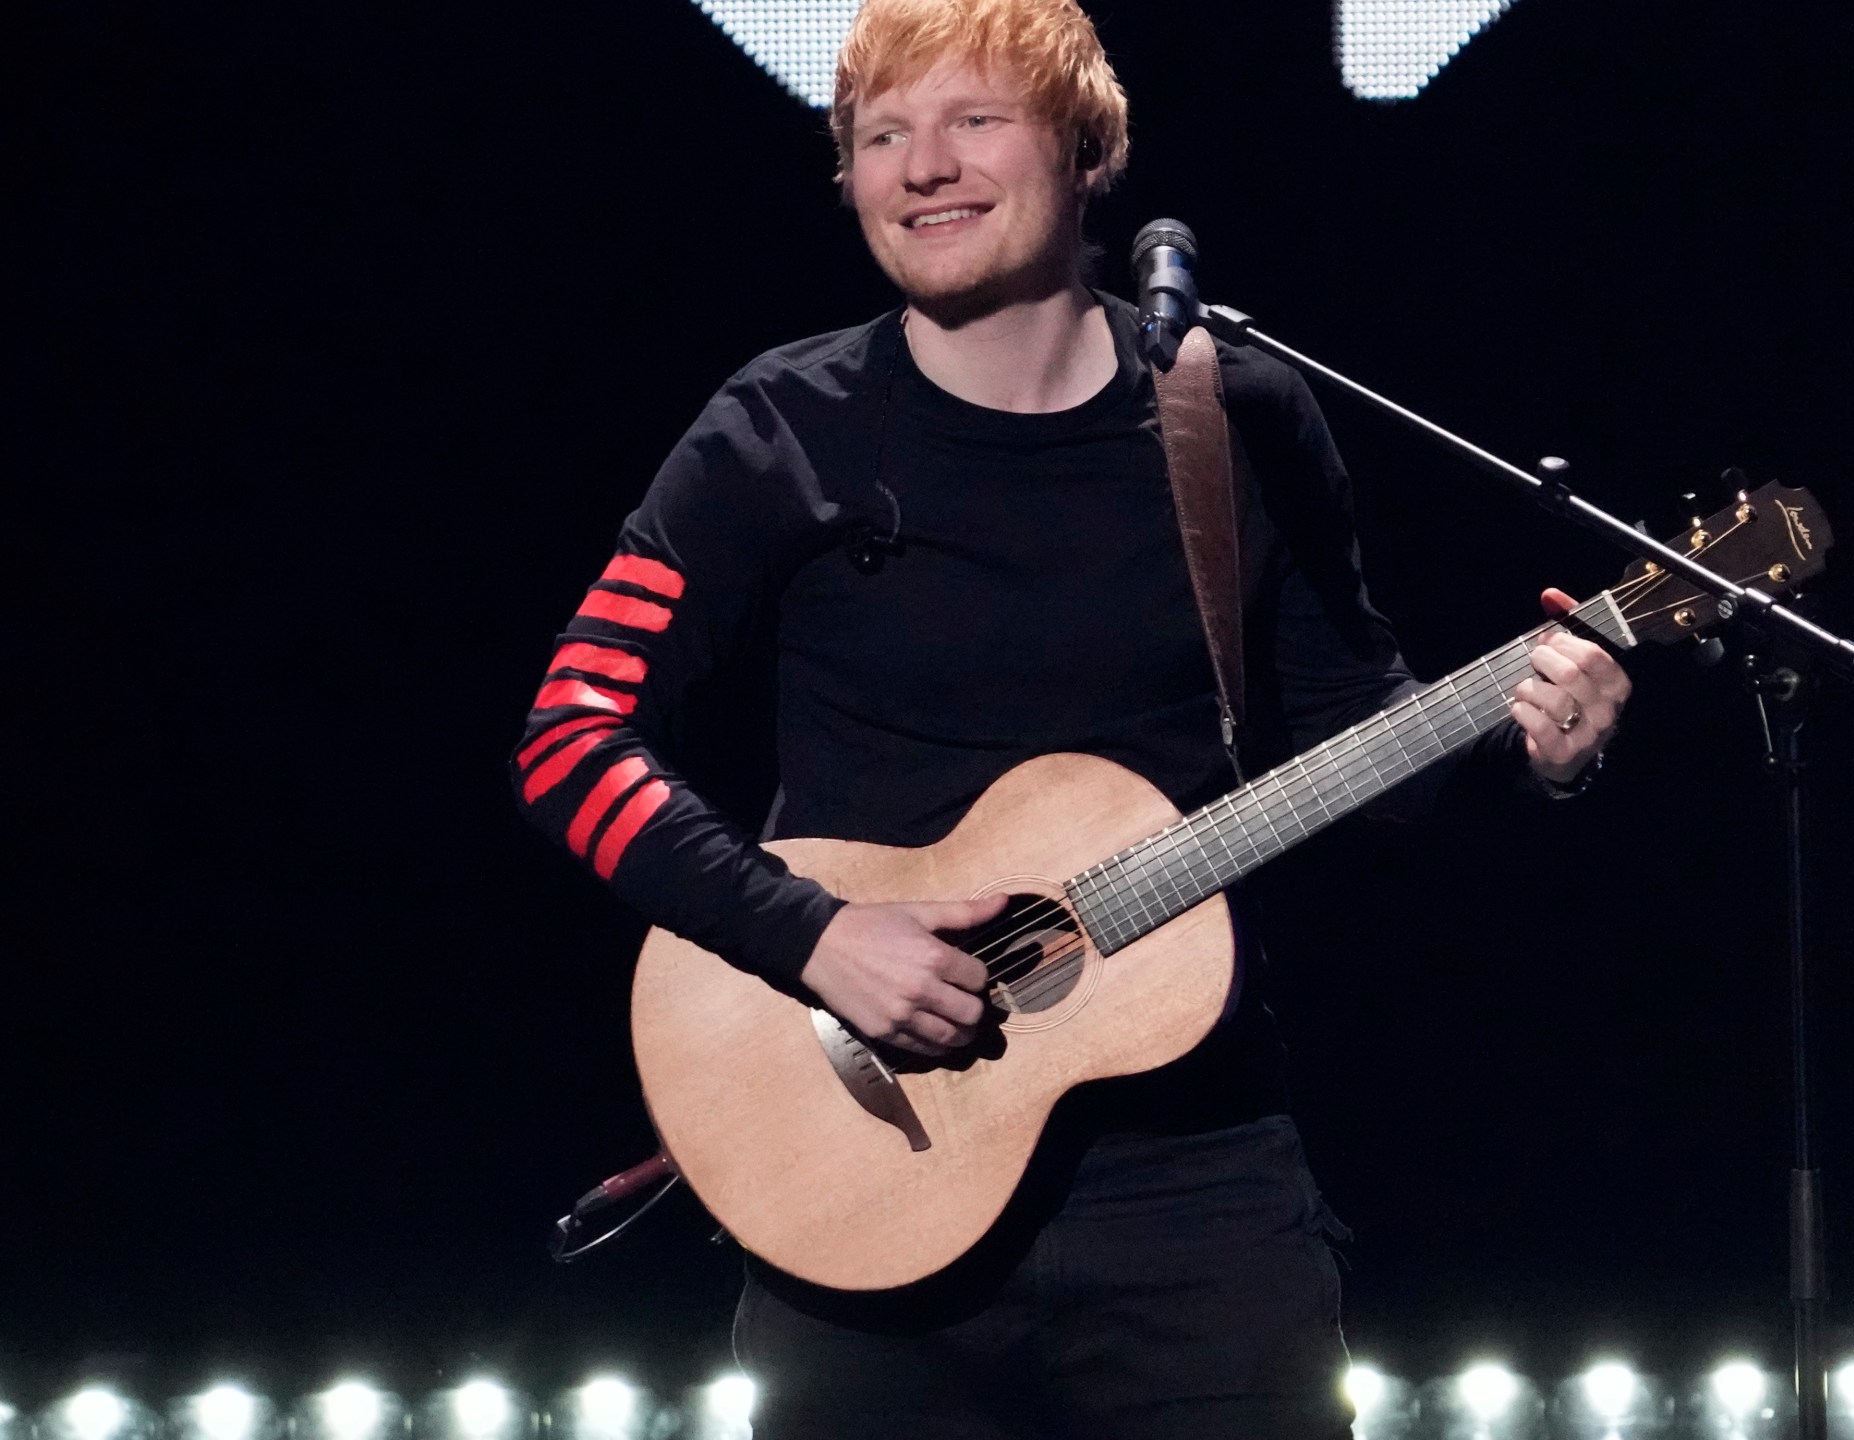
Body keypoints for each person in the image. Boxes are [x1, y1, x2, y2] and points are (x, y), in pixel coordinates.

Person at [511, 0, 1633, 1434]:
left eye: (975, 119)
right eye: (879, 137)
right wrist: (815, 935)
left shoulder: (1238, 415)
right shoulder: (780, 429)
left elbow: (1370, 748)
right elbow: (566, 737)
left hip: (1195, 1178)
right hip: (864, 1172)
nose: (924, 167)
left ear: (1087, 149)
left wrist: (1534, 749)